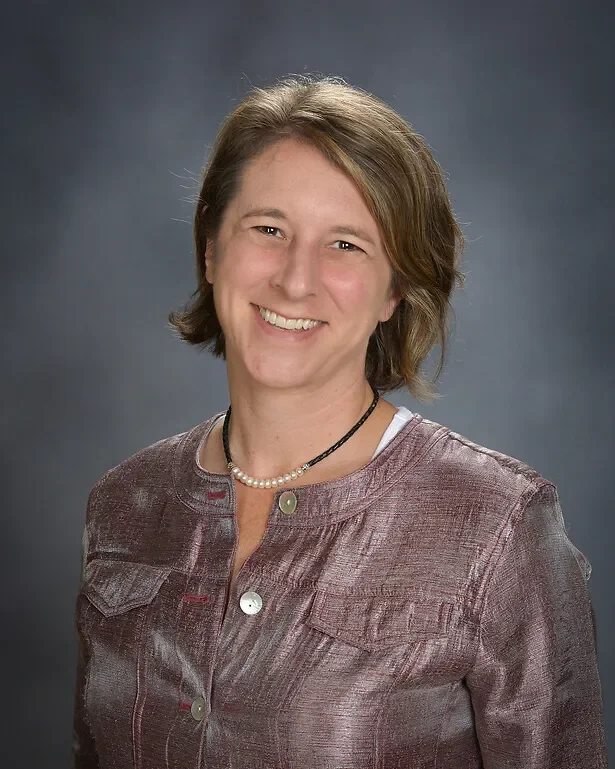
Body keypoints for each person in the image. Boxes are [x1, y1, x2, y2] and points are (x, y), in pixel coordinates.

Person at [72, 74, 607, 768]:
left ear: (396, 287)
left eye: (346, 244)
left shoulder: (499, 523)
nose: (296, 280)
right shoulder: (123, 506)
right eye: (268, 229)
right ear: (211, 247)